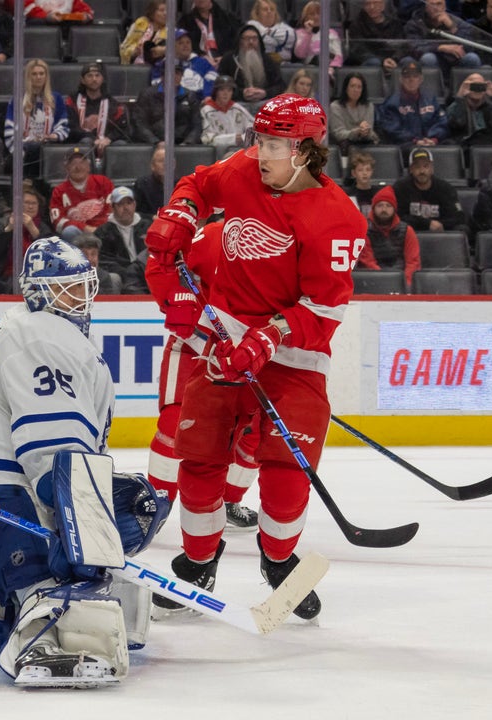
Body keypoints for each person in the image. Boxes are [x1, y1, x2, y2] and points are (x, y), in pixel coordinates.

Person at [143, 94, 367, 621]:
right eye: (258, 140)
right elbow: (199, 183)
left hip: (293, 355)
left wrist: (267, 338)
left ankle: (279, 560)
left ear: (308, 151)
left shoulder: (339, 219)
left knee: (288, 468)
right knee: (199, 458)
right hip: (224, 342)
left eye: (273, 144)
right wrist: (182, 209)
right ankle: (198, 561)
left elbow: (322, 309)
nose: (259, 153)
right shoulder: (245, 169)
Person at [0, 236, 167, 687]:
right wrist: (84, 527)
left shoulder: (36, 330)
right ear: (37, 292)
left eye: (83, 285)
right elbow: (52, 446)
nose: (80, 298)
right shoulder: (42, 332)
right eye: (65, 289)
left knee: (61, 571)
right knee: (49, 583)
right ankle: (46, 639)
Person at [143, 220, 261, 537]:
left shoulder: (280, 240)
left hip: (248, 350)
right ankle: (154, 502)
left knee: (255, 430)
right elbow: (159, 268)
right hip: (195, 343)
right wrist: (180, 306)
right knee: (174, 422)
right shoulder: (209, 234)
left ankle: (229, 502)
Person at [4, 59, 69, 174]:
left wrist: (54, 135)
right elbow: (10, 128)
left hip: (48, 146)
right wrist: (20, 151)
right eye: (34, 74)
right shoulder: (18, 99)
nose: (38, 77)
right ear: (28, 77)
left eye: (41, 74)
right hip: (24, 147)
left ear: (46, 76)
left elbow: (63, 125)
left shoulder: (56, 98)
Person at [392, 147, 468, 237]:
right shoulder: (401, 187)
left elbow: (458, 217)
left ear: (432, 168)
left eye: (426, 166)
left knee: (462, 229)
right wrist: (427, 223)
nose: (422, 171)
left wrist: (440, 224)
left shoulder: (445, 188)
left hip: (441, 233)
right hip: (411, 233)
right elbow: (397, 216)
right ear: (411, 170)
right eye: (417, 167)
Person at [66, 61, 129, 166]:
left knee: (121, 145)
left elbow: (123, 129)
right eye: (89, 76)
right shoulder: (72, 100)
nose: (94, 79)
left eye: (97, 75)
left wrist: (108, 139)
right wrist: (93, 139)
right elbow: (71, 127)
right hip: (83, 141)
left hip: (105, 142)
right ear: (83, 80)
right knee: (86, 142)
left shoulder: (112, 103)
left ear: (102, 79)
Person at [359, 186, 422, 290]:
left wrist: (405, 284)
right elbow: (368, 262)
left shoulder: (407, 230)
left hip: (402, 282)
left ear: (394, 209)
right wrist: (386, 282)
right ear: (373, 208)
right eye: (380, 205)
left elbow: (413, 262)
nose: (384, 209)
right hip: (373, 282)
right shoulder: (363, 230)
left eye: (388, 206)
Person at [375, 60, 448, 148]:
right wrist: (415, 141)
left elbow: (441, 121)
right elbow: (393, 130)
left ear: (421, 79)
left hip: (431, 144)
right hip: (406, 146)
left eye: (415, 76)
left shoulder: (431, 99)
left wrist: (433, 139)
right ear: (401, 79)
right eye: (407, 76)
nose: (411, 80)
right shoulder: (392, 103)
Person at [94, 186, 151, 294]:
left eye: (128, 203)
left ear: (134, 205)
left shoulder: (148, 227)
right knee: (114, 278)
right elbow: (104, 260)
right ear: (113, 207)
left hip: (147, 270)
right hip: (122, 274)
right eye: (120, 204)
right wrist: (127, 271)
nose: (125, 208)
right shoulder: (103, 232)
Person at [49, 146, 114, 242]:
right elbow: (57, 222)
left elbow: (112, 210)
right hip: (79, 234)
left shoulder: (103, 182)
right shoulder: (59, 191)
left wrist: (99, 229)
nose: (78, 167)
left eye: (82, 162)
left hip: (104, 230)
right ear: (66, 168)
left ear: (89, 166)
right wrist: (84, 227)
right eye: (73, 163)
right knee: (69, 231)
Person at [404, 0, 482, 77]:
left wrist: (452, 27)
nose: (435, 8)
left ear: (444, 7)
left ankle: (467, 88)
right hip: (432, 60)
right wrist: (440, 47)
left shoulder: (457, 22)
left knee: (472, 57)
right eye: (432, 4)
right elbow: (414, 47)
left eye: (439, 4)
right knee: (428, 58)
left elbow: (470, 46)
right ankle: (431, 89)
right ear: (426, 7)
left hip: (455, 60)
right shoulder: (415, 24)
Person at [216, 25, 284, 104]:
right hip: (237, 103)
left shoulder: (267, 60)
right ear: (240, 41)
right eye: (247, 39)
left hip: (265, 102)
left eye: (254, 39)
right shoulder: (229, 59)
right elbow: (220, 85)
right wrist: (242, 93)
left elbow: (280, 86)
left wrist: (265, 93)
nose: (251, 42)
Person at [345, 0, 404, 69]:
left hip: (392, 59)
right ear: (364, 6)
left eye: (376, 3)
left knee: (407, 61)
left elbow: (402, 46)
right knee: (374, 62)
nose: (372, 7)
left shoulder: (394, 23)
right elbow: (358, 50)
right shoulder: (356, 25)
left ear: (383, 5)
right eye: (368, 4)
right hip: (369, 61)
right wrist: (382, 61)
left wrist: (395, 58)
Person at [329, 71, 379, 152]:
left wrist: (365, 131)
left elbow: (370, 131)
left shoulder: (369, 106)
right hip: (344, 145)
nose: (356, 90)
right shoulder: (335, 106)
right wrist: (357, 132)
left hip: (365, 143)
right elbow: (338, 134)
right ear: (346, 88)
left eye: (359, 87)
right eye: (352, 86)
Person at [178, 0, 239, 64]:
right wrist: (200, 57)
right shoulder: (185, 22)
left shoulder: (228, 18)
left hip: (225, 64)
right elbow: (183, 47)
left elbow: (237, 45)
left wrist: (225, 58)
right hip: (198, 64)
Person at [200, 76, 254, 149]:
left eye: (229, 90)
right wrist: (233, 139)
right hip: (217, 152)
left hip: (241, 150)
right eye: (222, 90)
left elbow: (255, 129)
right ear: (215, 92)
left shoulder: (238, 108)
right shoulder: (207, 111)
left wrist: (244, 137)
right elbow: (206, 139)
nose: (226, 94)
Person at [447, 73, 492, 148]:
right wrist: (460, 97)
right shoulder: (455, 106)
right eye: (473, 86)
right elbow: (458, 123)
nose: (477, 89)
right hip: (465, 146)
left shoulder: (489, 106)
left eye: (480, 86)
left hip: (489, 144)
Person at [293, 1, 343, 75]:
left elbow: (338, 56)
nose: (316, 17)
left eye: (319, 14)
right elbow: (300, 54)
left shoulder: (331, 33)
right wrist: (308, 33)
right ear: (306, 17)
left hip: (329, 68)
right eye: (312, 14)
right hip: (308, 69)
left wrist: (331, 68)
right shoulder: (299, 33)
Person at [120, 0, 166, 66]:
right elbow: (124, 48)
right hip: (136, 66)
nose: (165, 13)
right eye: (161, 10)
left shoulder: (172, 31)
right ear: (152, 12)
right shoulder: (140, 24)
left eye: (168, 11)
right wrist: (133, 52)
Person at [344, 151, 385, 217]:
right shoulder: (347, 194)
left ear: (372, 171)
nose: (364, 173)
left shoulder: (379, 193)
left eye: (368, 170)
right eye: (360, 170)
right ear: (353, 173)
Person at [133, 143, 165, 216]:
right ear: (152, 166)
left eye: (169, 161)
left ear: (174, 164)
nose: (165, 164)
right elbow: (135, 213)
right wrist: (151, 217)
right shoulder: (142, 184)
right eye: (161, 161)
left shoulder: (182, 184)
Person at [22, 0, 94, 25]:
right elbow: (26, 9)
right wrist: (47, 17)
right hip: (38, 29)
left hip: (64, 30)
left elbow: (85, 10)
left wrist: (85, 16)